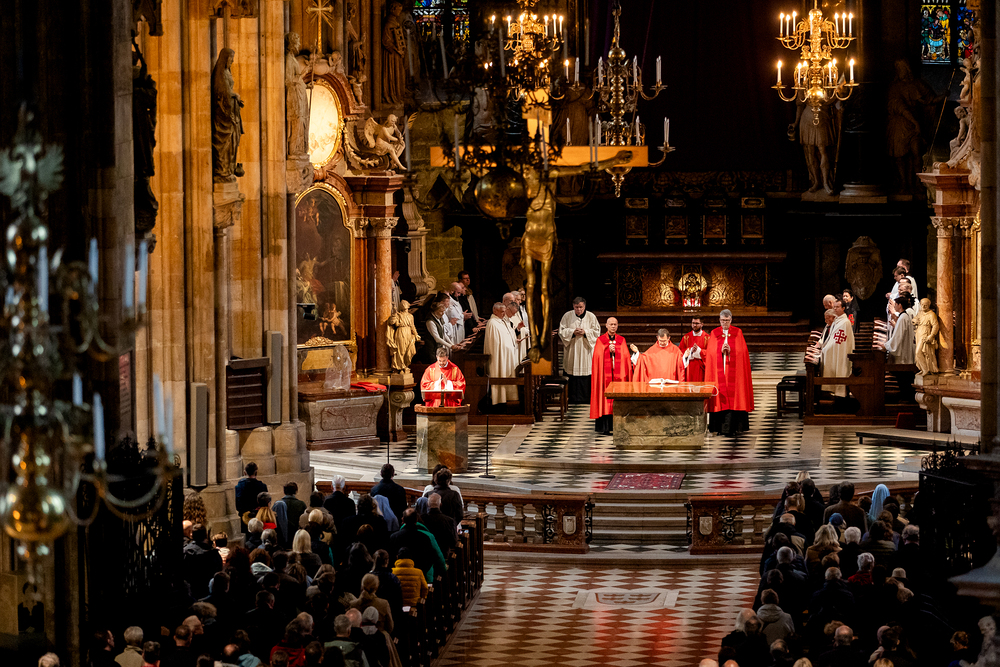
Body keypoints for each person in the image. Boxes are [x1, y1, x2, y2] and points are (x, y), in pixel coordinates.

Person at [704, 309, 754, 437]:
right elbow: (710, 353)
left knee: (736, 397)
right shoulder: (714, 333)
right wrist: (720, 351)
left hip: (734, 373)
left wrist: (731, 351)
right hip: (719, 372)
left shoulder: (738, 332)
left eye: (727, 320)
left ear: (731, 320)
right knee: (719, 397)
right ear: (719, 320)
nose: (724, 323)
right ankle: (719, 427)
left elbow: (742, 352)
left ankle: (736, 427)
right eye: (722, 320)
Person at [589, 317, 633, 435]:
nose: (613, 326)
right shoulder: (600, 340)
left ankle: (618, 427)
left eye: (615, 324)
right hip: (605, 377)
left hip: (618, 376)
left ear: (617, 326)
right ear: (606, 325)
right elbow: (597, 358)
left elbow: (625, 358)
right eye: (611, 324)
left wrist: (616, 351)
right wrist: (607, 351)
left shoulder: (621, 340)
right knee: (605, 399)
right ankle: (605, 427)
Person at [558, 297, 601, 404]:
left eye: (581, 307)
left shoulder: (591, 316)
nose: (579, 309)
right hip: (572, 350)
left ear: (584, 306)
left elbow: (596, 332)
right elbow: (561, 331)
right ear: (573, 306)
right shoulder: (567, 316)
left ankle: (586, 398)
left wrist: (585, 332)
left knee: (586, 374)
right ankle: (572, 398)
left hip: (586, 350)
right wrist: (572, 332)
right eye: (576, 307)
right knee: (572, 372)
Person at [483, 301, 519, 406]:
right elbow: (494, 344)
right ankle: (499, 400)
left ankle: (508, 399)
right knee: (500, 375)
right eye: (502, 312)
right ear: (495, 311)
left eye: (504, 311)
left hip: (507, 357)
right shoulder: (492, 323)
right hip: (499, 357)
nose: (504, 314)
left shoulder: (501, 321)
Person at [820, 297, 855, 397]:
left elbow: (839, 341)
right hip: (836, 350)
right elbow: (831, 337)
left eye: (837, 307)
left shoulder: (845, 322)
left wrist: (826, 349)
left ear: (843, 308)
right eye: (834, 307)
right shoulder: (837, 320)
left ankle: (839, 393)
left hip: (841, 352)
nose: (835, 309)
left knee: (840, 370)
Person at [879, 296, 915, 364]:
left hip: (903, 351)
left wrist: (886, 346)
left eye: (895, 304)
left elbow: (898, 336)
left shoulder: (903, 318)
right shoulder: (904, 316)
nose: (894, 306)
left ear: (900, 305)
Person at [235, 462, 267, 530]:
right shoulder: (262, 486)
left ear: (245, 473)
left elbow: (238, 503)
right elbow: (265, 504)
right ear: (256, 472)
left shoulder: (239, 486)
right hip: (258, 516)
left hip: (244, 518)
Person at [679, 317, 707, 382]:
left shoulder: (707, 338)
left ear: (702, 324)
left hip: (701, 369)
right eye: (693, 323)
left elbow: (711, 352)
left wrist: (699, 351)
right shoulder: (686, 337)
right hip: (689, 369)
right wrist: (690, 350)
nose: (694, 325)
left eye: (697, 323)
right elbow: (680, 351)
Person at [504, 292, 529, 360]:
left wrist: (518, 328)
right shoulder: (504, 315)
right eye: (517, 300)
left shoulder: (516, 311)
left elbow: (512, 330)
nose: (519, 302)